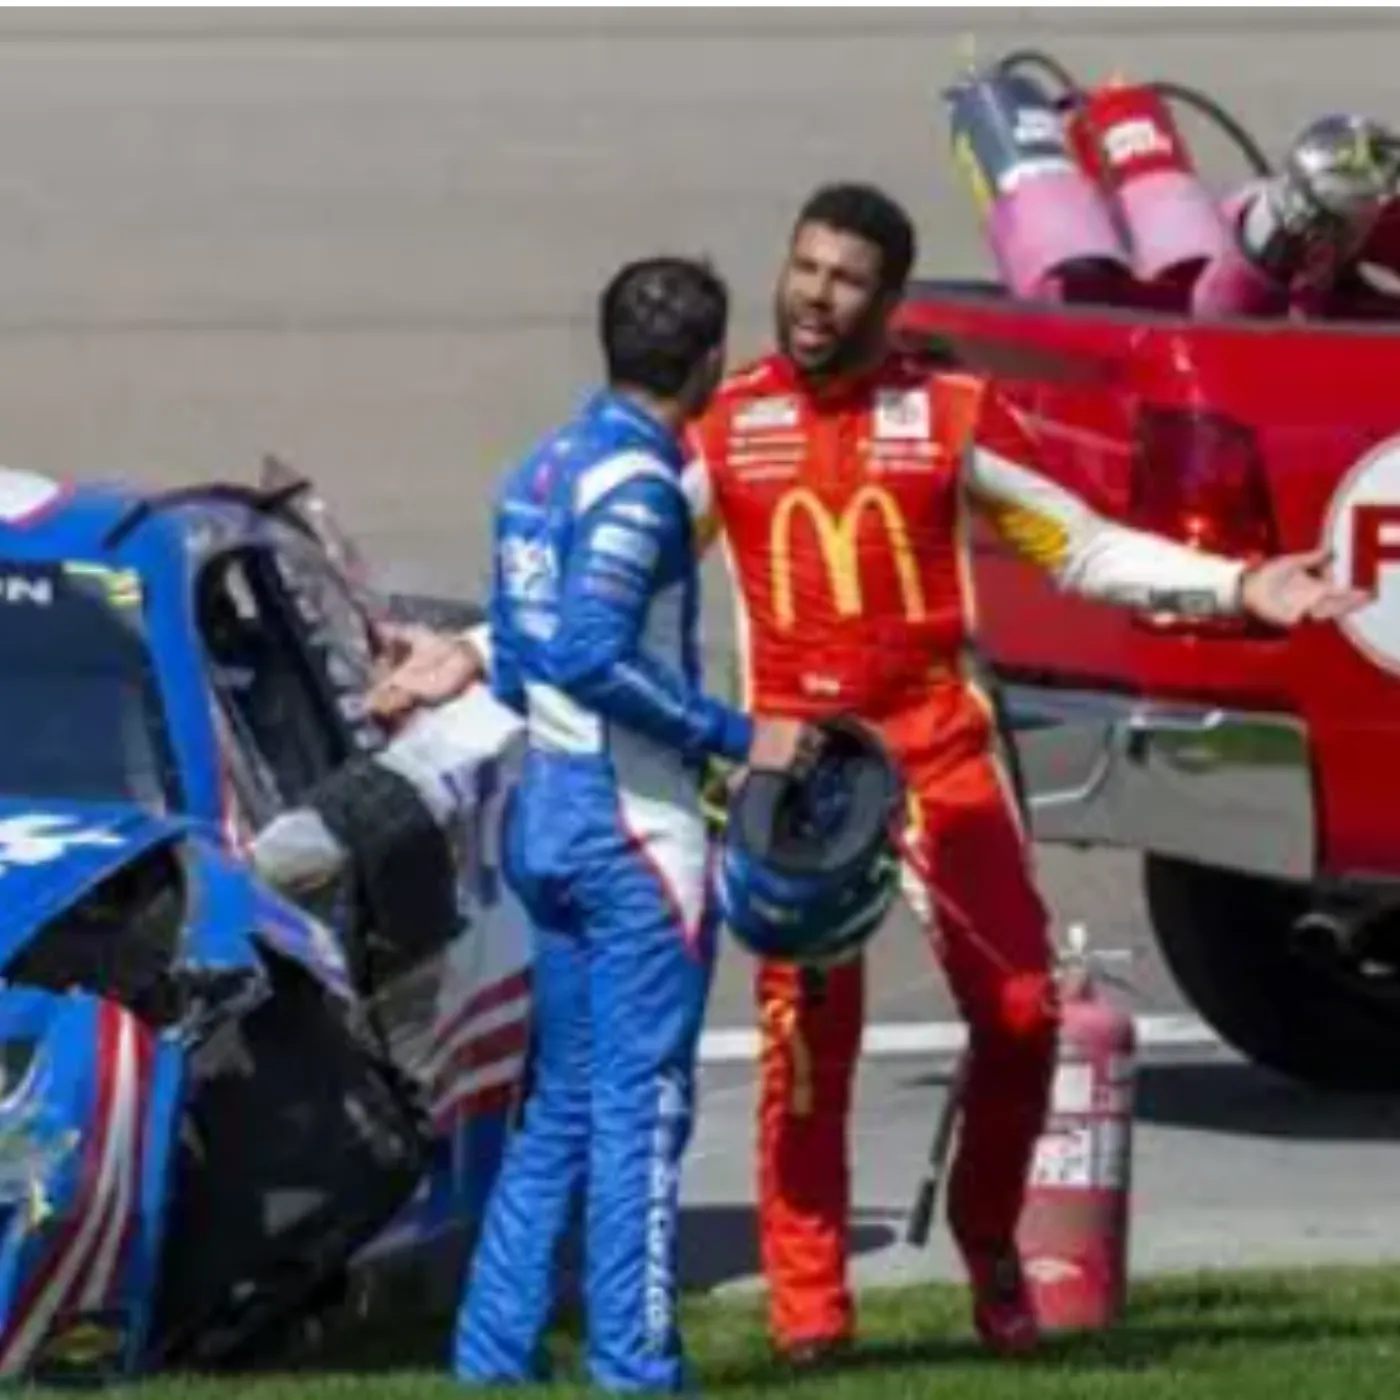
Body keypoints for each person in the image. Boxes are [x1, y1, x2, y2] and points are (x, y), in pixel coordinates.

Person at [369, 188, 1365, 1366]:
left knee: (1020, 1014)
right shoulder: (723, 424)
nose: (812, 296)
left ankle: (989, 1245)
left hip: (936, 751)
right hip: (798, 780)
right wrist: (470, 651)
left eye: (843, 279)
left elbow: (1081, 544)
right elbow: (600, 586)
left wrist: (1240, 585)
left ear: (889, 300)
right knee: (802, 1048)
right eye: (803, 268)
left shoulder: (949, 410)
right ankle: (809, 1313)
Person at [443, 254, 808, 1395]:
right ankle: (636, 1369)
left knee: (561, 1102)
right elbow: (590, 652)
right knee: (644, 1115)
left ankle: (491, 1358)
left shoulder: (539, 468)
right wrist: (735, 733)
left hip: (546, 816)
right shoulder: (642, 486)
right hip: (632, 832)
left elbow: (518, 656)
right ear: (709, 363)